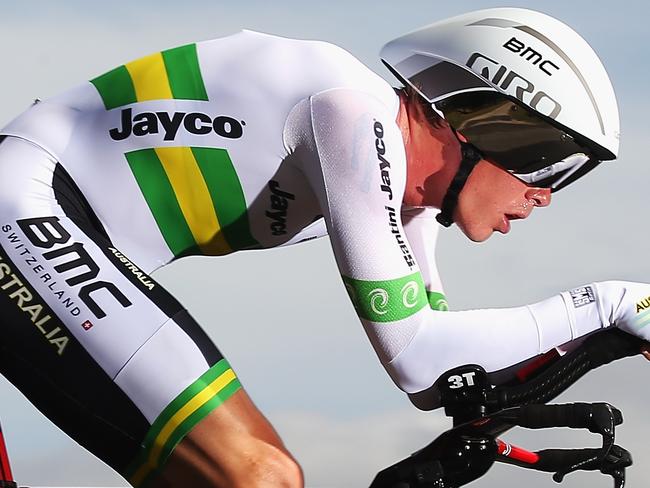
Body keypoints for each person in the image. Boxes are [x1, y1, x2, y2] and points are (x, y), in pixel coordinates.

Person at [0, 6, 648, 488]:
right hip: (24, 205)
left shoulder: (404, 200)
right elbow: (418, 355)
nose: (548, 195)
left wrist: (587, 347)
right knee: (256, 475)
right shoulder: (349, 110)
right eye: (550, 162)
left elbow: (441, 379)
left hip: (51, 233)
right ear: (482, 123)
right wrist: (609, 302)